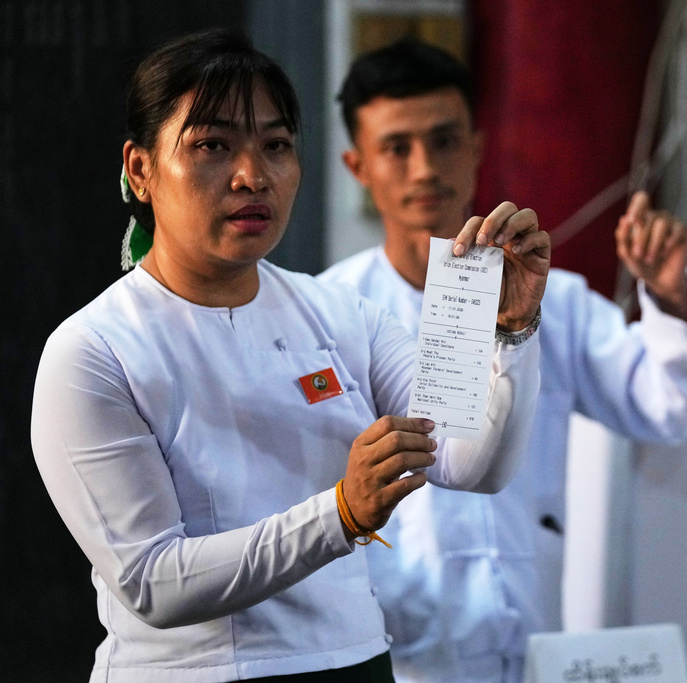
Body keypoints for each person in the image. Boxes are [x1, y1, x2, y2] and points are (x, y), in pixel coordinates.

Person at [30, 29, 550, 683]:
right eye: (212, 145)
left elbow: (469, 462)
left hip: (354, 661)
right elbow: (153, 582)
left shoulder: (341, 313)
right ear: (140, 170)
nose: (253, 176)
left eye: (276, 146)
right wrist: (341, 513)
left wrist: (511, 330)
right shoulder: (92, 350)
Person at [319, 37, 687, 683]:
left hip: (535, 635)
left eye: (444, 140)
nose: (425, 167)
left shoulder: (550, 300)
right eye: (397, 147)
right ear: (357, 164)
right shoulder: (330, 315)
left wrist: (671, 295)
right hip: (403, 651)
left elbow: (672, 407)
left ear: (476, 147)